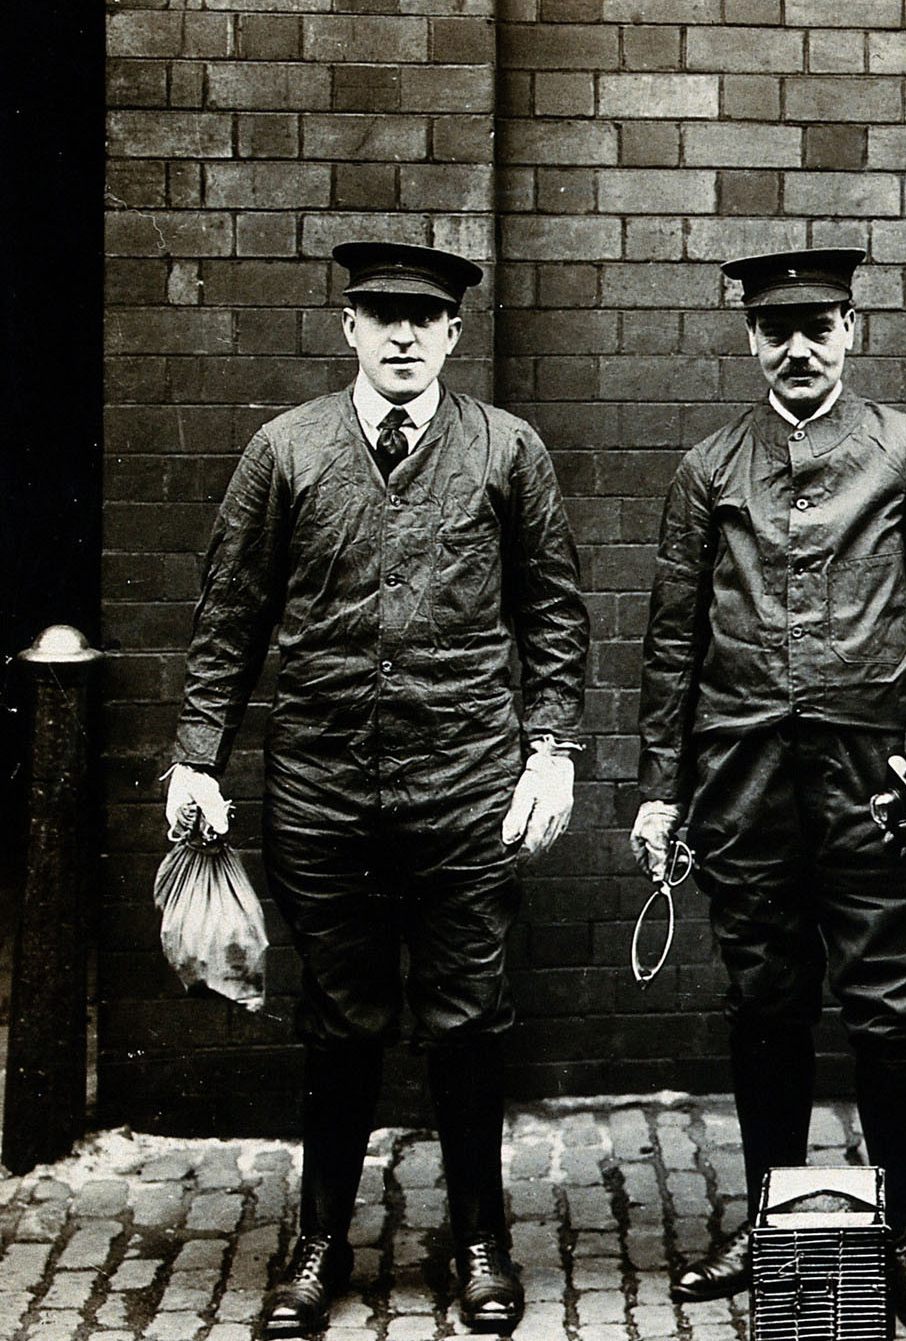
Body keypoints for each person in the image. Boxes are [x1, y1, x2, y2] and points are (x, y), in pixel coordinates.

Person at [163, 242, 589, 1338]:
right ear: (348, 326)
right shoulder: (285, 450)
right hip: (324, 785)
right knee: (338, 1016)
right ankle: (318, 1242)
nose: (403, 335)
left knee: (468, 1015)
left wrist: (551, 749)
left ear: (454, 332)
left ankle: (480, 1239)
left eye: (424, 317)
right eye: (381, 314)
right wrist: (197, 755)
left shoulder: (507, 449)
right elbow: (230, 612)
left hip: (465, 782)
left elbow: (552, 613)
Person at [633, 248, 906, 1333]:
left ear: (851, 331)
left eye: (818, 326)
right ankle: (768, 1221)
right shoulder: (709, 468)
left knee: (888, 1008)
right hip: (743, 778)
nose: (798, 348)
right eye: (776, 328)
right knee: (765, 1002)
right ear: (750, 338)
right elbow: (672, 638)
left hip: (873, 779)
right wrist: (661, 790)